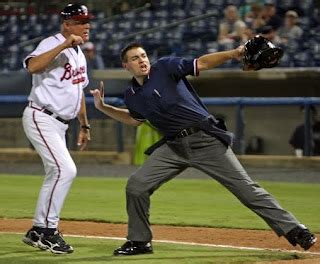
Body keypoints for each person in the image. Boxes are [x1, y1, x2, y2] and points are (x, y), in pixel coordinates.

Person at [90, 42, 317, 256]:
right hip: (174, 147)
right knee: (136, 186)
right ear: (126, 66)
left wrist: (234, 53)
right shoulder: (131, 95)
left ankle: (296, 230)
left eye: (143, 56)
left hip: (205, 140)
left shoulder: (164, 68)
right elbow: (134, 119)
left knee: (246, 189)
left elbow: (203, 63)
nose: (141, 60)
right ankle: (139, 241)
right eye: (134, 58)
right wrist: (103, 107)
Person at [21, 3, 92, 254]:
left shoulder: (79, 53)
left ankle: (38, 230)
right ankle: (49, 232)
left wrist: (84, 124)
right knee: (65, 169)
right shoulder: (51, 43)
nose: (86, 26)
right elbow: (32, 66)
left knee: (57, 172)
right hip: (41, 116)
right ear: (67, 24)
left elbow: (79, 90)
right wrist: (62, 45)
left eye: (87, 21)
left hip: (61, 124)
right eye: (80, 21)